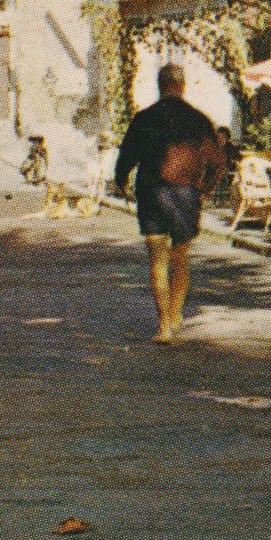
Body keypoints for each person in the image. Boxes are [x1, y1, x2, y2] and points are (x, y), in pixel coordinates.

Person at [112, 64, 227, 343]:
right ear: (183, 85)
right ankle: (175, 314)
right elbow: (218, 162)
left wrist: (121, 181)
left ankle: (164, 325)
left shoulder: (144, 118)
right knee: (180, 258)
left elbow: (126, 157)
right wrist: (205, 190)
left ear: (159, 85)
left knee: (157, 262)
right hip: (186, 196)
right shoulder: (199, 120)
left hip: (151, 193)